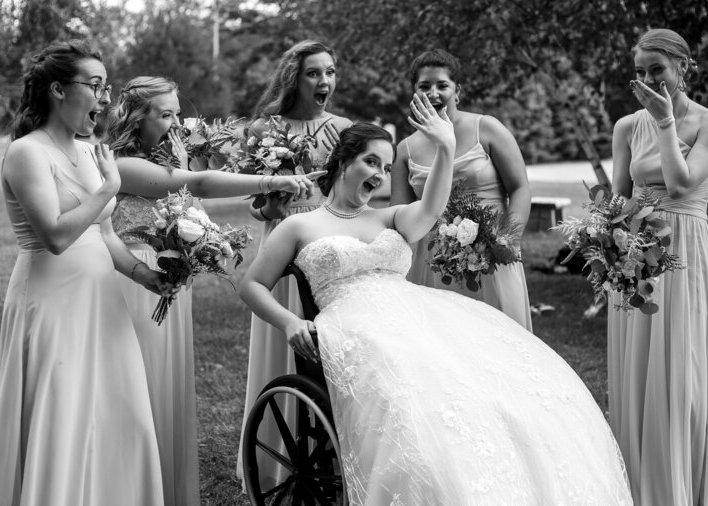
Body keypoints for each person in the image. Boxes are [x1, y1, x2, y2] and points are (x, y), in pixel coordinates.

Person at [239, 97, 633, 505]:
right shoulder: (299, 226)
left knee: (492, 384)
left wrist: (445, 147)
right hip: (352, 324)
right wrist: (289, 322)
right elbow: (252, 285)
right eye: (371, 162)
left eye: (387, 167)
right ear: (343, 162)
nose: (380, 174)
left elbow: (431, 207)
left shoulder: (389, 217)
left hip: (416, 312)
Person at [106, 75, 320, 506]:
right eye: (165, 115)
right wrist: (269, 183)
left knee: (165, 384)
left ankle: (160, 488)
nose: (175, 123)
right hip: (136, 278)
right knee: (138, 384)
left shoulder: (169, 154)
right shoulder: (121, 163)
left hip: (168, 274)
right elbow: (198, 185)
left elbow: (195, 203)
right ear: (135, 117)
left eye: (176, 113)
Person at [0, 40, 173, 505]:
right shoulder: (28, 153)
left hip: (103, 306)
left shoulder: (90, 152)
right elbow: (57, 237)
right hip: (51, 302)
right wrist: (109, 187)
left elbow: (104, 237)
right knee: (61, 415)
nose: (105, 99)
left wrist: (144, 275)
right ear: (58, 90)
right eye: (96, 86)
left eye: (106, 88)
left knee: (120, 413)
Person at [609, 28, 708, 505]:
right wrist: (613, 247)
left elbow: (677, 185)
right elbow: (618, 201)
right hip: (635, 255)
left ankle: (685, 481)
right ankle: (640, 479)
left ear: (684, 68)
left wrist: (667, 122)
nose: (649, 79)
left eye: (658, 69)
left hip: (684, 252)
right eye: (641, 72)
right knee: (639, 367)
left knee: (684, 366)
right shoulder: (627, 127)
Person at [237, 40, 356, 485]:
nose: (324, 81)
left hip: (328, 241)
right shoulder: (263, 129)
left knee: (329, 346)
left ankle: (329, 450)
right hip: (282, 242)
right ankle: (277, 458)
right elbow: (256, 206)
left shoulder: (344, 129)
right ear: (295, 78)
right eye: (313, 73)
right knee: (287, 343)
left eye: (330, 71)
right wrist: (276, 205)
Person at [391, 49, 533, 330]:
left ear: (457, 91)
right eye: (424, 86)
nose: (434, 93)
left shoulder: (488, 129)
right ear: (414, 93)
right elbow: (400, 215)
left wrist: (506, 237)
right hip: (433, 261)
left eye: (442, 85)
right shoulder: (404, 150)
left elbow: (519, 188)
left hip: (492, 252)